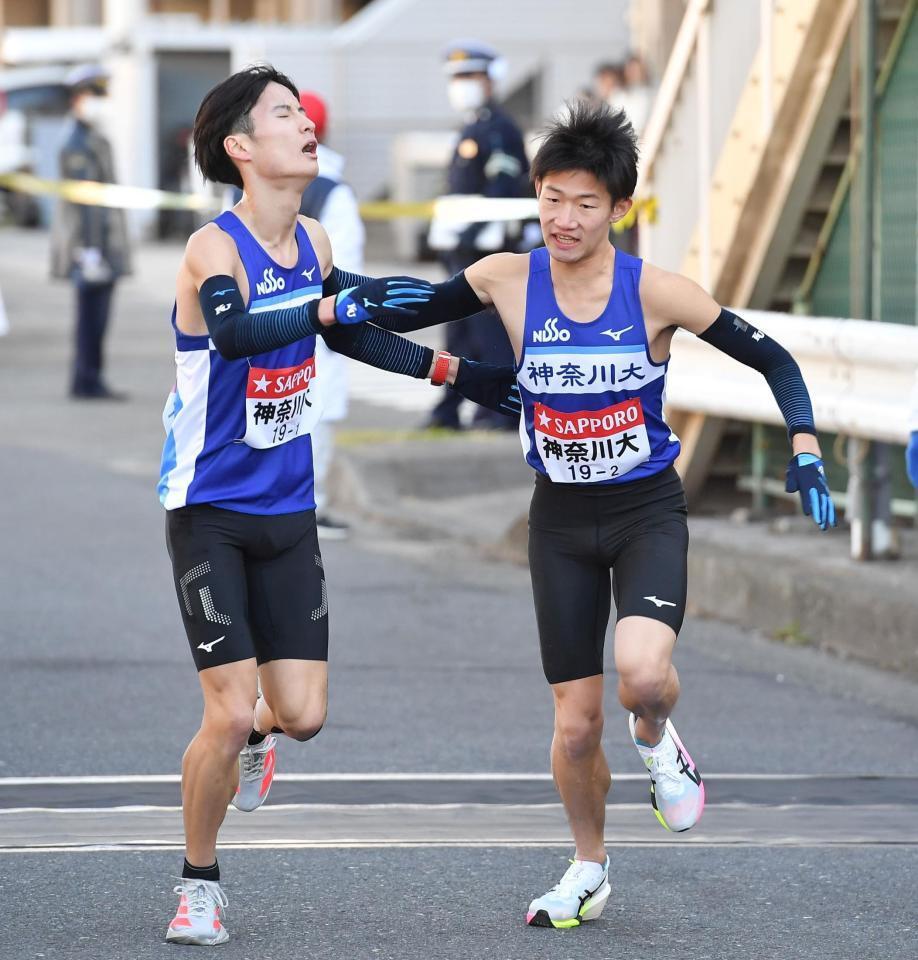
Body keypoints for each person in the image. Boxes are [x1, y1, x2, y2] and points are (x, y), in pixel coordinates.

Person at [377, 99, 837, 928]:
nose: (564, 218)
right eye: (552, 198)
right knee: (577, 724)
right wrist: (318, 294)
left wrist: (804, 443)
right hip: (557, 522)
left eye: (585, 203)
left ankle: (659, 738)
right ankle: (588, 865)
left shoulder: (656, 292)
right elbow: (404, 307)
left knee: (642, 677)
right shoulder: (505, 278)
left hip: (645, 511)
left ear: (619, 209)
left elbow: (770, 357)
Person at [158, 64, 518, 947]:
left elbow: (351, 329)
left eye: (303, 114)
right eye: (284, 115)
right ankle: (198, 883)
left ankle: (258, 736)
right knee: (229, 708)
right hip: (208, 507)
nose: (305, 126)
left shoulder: (314, 239)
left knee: (303, 715)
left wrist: (464, 373)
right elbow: (241, 330)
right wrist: (320, 306)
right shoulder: (214, 249)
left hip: (288, 512)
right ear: (242, 148)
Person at [426, 40, 531, 430]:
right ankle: (449, 409)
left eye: (469, 75)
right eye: (456, 77)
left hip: (487, 246)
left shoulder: (498, 128)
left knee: (488, 333)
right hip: (463, 246)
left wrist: (469, 229)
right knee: (460, 334)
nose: (461, 83)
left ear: (491, 79)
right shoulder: (472, 127)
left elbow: (503, 187)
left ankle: (498, 410)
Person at [296, 90, 364, 540]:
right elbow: (348, 266)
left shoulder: (246, 183)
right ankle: (309, 509)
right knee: (319, 409)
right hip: (322, 320)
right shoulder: (331, 190)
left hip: (261, 325)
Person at [50, 64, 131, 399]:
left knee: (97, 316)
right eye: (95, 95)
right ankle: (86, 379)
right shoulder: (78, 142)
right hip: (89, 245)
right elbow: (87, 204)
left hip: (97, 245)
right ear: (79, 98)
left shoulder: (92, 137)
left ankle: (91, 377)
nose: (101, 101)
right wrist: (91, 250)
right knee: (90, 318)